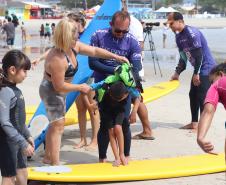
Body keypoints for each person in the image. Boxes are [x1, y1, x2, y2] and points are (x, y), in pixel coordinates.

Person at [40, 18, 128, 165]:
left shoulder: (74, 47)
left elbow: (94, 51)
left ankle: (48, 157)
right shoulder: (57, 58)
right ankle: (55, 164)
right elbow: (59, 86)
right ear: (67, 35)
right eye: (75, 32)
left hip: (61, 89)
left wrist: (116, 57)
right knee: (58, 125)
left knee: (55, 124)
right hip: (51, 91)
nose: (79, 33)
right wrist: (80, 87)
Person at [32, 13, 100, 150]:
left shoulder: (88, 35)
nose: (68, 25)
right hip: (74, 78)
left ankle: (94, 140)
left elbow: (94, 51)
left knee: (92, 107)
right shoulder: (67, 36)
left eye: (72, 22)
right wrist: (40, 58)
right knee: (81, 108)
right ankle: (82, 139)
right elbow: (55, 49)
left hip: (87, 75)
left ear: (79, 23)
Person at [89, 10, 142, 162]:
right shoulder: (98, 35)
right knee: (105, 125)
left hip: (122, 90)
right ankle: (102, 158)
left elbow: (136, 67)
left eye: (124, 31)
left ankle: (126, 155)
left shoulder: (132, 41)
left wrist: (132, 81)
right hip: (103, 88)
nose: (120, 34)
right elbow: (93, 63)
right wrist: (116, 71)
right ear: (110, 24)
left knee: (124, 123)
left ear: (129, 27)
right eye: (117, 30)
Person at [166, 12, 216, 130]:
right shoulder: (179, 37)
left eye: (171, 23)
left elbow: (199, 56)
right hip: (198, 68)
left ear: (180, 21)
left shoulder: (192, 33)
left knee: (201, 96)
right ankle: (194, 123)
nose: (170, 26)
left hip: (207, 67)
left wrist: (196, 73)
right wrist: (177, 73)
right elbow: (183, 58)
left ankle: (203, 126)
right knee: (192, 94)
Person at [0, 50, 34, 185]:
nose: (26, 75)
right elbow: (4, 122)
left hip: (18, 140)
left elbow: (18, 118)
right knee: (9, 177)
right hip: (7, 142)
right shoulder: (5, 91)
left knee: (22, 172)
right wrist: (22, 142)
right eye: (24, 71)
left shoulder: (15, 89)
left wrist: (27, 134)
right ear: (12, 70)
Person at [122, 0, 154, 140]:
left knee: (137, 97)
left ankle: (146, 130)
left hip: (131, 68)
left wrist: (128, 64)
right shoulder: (125, 20)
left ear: (124, 3)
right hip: (127, 67)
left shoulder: (133, 22)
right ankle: (145, 130)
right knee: (136, 98)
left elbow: (139, 46)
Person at [197, 62, 226, 160]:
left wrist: (200, 137)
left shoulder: (218, 84)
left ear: (220, 74)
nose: (211, 84)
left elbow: (208, 111)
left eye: (211, 81)